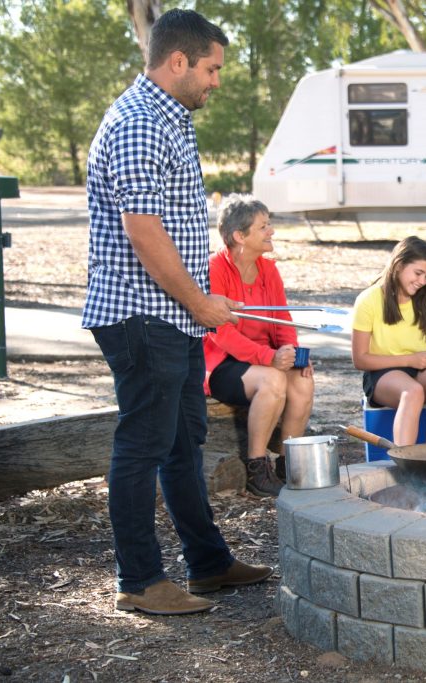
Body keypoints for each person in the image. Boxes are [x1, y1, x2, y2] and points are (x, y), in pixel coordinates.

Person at [81, 9, 272, 616]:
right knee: (143, 445)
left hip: (175, 317)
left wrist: (198, 311)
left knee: (182, 443)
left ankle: (207, 563)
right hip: (144, 316)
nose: (217, 81)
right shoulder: (140, 123)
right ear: (179, 61)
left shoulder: (171, 119)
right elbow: (144, 234)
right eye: (212, 69)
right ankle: (138, 580)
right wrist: (203, 303)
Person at [204, 194, 314, 497]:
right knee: (274, 379)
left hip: (265, 358)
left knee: (303, 381)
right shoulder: (215, 268)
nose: (272, 231)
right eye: (263, 226)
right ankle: (257, 467)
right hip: (223, 362)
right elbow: (220, 334)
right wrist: (270, 358)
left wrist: (293, 353)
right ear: (240, 236)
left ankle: (287, 464)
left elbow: (283, 320)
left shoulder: (268, 269)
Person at [352, 237, 426, 445]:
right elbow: (360, 360)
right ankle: (406, 463)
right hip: (382, 374)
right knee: (412, 391)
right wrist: (409, 360)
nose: (423, 281)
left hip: (420, 368)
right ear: (399, 265)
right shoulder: (369, 300)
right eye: (418, 273)